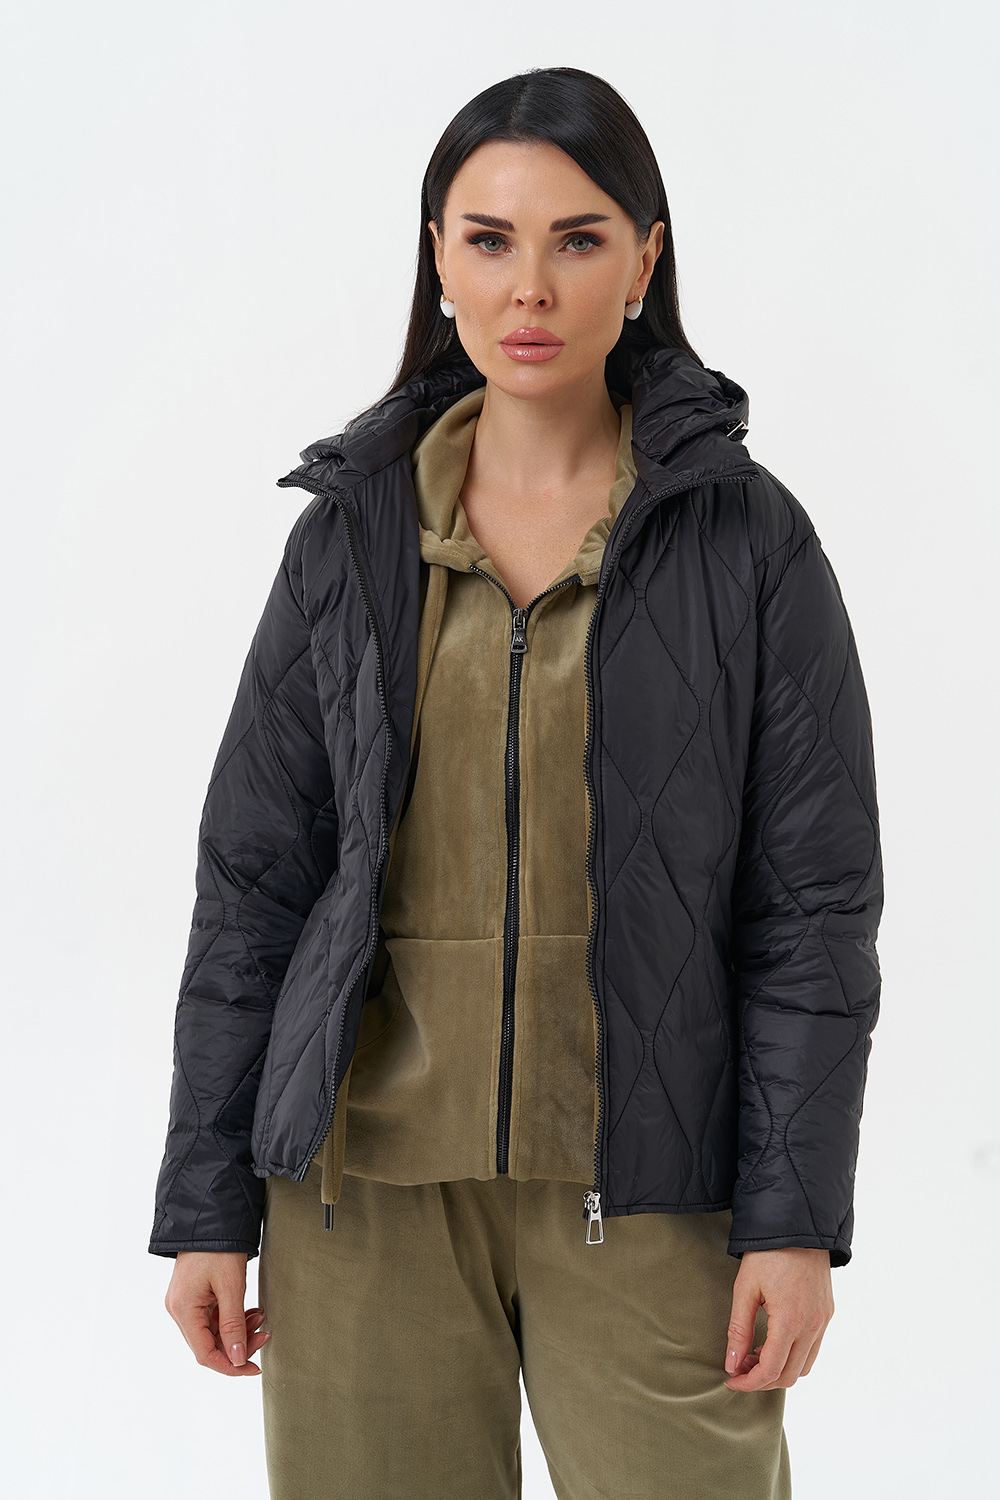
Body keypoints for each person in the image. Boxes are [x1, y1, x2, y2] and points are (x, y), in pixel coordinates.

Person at [149, 66, 883, 1500]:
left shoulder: (746, 543)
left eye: (578, 239)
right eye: (489, 239)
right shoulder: (350, 537)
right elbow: (253, 888)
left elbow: (811, 909)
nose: (529, 288)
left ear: (645, 260)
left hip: (651, 1191)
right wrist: (207, 1205)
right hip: (361, 1195)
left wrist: (795, 1220)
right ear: (439, 256)